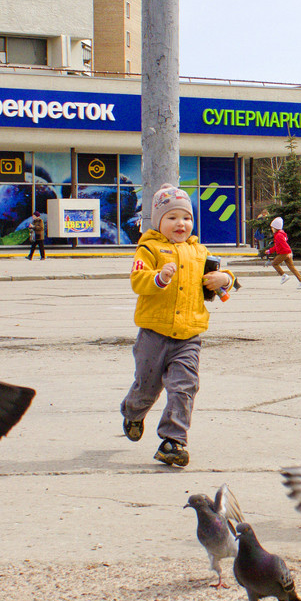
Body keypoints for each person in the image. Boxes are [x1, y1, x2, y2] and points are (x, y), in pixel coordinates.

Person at [120, 183, 233, 468]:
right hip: (153, 335)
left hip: (188, 336)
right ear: (159, 221)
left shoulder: (200, 252)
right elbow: (138, 280)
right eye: (172, 217)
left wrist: (226, 280)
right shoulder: (149, 248)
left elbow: (219, 281)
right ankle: (133, 412)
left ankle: (173, 440)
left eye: (186, 217)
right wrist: (159, 278)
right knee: (147, 387)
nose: (180, 223)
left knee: (184, 387)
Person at [268, 216, 301, 289]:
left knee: (274, 263)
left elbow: (284, 245)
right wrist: (270, 251)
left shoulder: (278, 235)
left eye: (272, 227)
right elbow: (277, 246)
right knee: (291, 267)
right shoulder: (281, 234)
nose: (271, 229)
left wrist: (289, 252)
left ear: (275, 228)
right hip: (286, 252)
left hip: (284, 253)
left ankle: (283, 275)